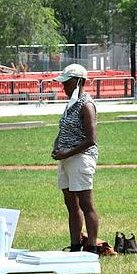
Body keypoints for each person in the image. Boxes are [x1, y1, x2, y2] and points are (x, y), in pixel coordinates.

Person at [51, 64, 100, 253]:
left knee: (86, 204)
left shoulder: (86, 105)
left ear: (79, 82)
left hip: (80, 158)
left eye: (67, 83)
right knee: (70, 204)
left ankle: (92, 246)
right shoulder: (70, 103)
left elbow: (91, 140)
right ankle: (75, 244)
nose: (63, 87)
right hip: (66, 159)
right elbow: (62, 130)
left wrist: (67, 153)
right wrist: (57, 146)